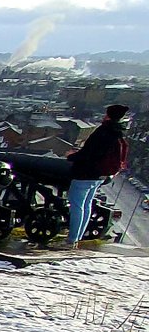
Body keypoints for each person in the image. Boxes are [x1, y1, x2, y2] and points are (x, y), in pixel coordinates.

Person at [65, 104, 130, 246]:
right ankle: (77, 237)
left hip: (86, 173)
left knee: (76, 205)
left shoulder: (103, 131)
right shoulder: (118, 132)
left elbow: (89, 153)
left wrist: (71, 157)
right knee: (86, 205)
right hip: (99, 176)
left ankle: (72, 239)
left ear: (108, 115)